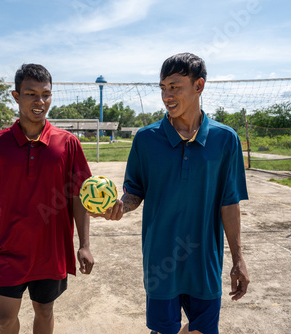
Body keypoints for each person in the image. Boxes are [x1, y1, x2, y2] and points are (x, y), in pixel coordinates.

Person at [91, 53, 249, 334]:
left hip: (205, 261)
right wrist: (119, 207)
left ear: (199, 86)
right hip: (160, 262)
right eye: (162, 87)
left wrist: (238, 258)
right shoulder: (146, 139)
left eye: (175, 86)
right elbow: (135, 191)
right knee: (163, 330)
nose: (166, 95)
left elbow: (229, 202)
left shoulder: (226, 140)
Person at [0, 63, 94, 334]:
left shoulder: (67, 143)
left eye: (46, 94)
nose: (40, 101)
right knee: (4, 319)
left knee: (45, 310)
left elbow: (79, 197)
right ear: (16, 96)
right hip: (6, 250)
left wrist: (84, 244)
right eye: (31, 94)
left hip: (50, 250)